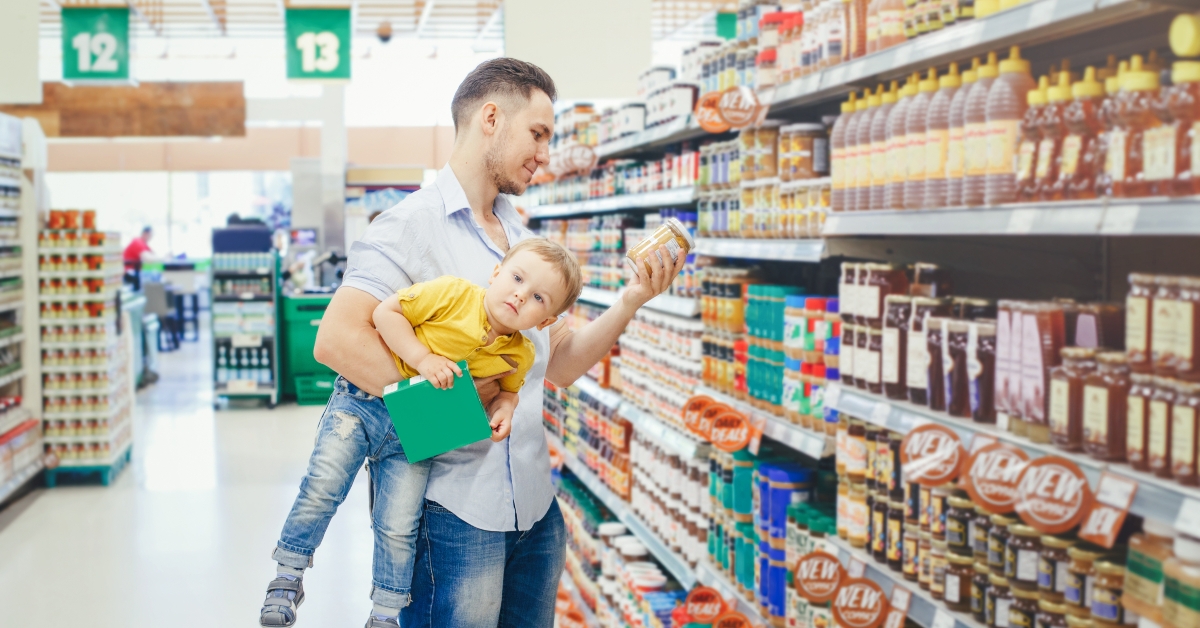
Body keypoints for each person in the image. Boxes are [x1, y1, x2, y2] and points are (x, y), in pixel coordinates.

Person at [301, 57, 685, 628]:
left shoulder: (522, 239)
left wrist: (631, 300)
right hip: (452, 512)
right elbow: (336, 341)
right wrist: (455, 409)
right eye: (538, 133)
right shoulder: (411, 225)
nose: (545, 154)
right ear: (490, 119)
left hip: (533, 509)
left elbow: (560, 365)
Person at [260, 238, 583, 627]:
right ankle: (288, 575)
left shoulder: (519, 354)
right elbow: (387, 312)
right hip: (363, 402)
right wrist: (422, 358)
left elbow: (509, 391)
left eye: (538, 298)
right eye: (517, 278)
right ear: (496, 272)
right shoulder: (453, 293)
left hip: (421, 430)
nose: (520, 295)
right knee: (322, 487)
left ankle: (385, 613)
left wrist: (505, 407)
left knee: (398, 524)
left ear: (546, 322)